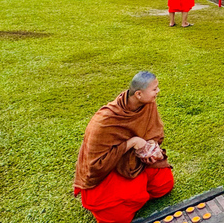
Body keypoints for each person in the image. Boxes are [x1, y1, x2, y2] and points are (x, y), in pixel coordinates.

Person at [74, 72, 174, 223]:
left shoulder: (147, 103)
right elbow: (95, 165)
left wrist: (150, 148)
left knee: (164, 185)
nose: (158, 91)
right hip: (111, 169)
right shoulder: (104, 121)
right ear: (139, 94)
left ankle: (140, 185)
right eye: (154, 89)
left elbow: (154, 132)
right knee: (118, 216)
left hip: (136, 160)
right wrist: (132, 142)